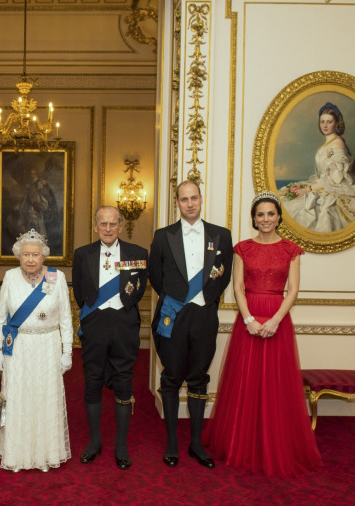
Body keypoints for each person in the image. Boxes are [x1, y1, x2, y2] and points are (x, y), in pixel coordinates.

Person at [202, 191, 322, 477]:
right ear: (254, 219)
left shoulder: (291, 249)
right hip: (250, 320)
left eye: (270, 213)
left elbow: (292, 290)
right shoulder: (242, 248)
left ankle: (275, 444)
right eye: (260, 214)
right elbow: (238, 288)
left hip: (277, 320)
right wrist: (249, 319)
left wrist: (276, 320)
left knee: (276, 384)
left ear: (279, 216)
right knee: (246, 381)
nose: (265, 219)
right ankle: (241, 444)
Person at [149, 180, 233, 469]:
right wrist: (178, 298)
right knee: (171, 377)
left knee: (198, 377)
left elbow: (224, 276)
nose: (190, 203)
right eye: (184, 199)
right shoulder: (163, 236)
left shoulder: (222, 235)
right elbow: (155, 276)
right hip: (173, 313)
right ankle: (172, 441)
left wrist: (204, 299)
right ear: (177, 202)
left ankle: (196, 442)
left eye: (194, 197)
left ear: (201, 198)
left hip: (204, 315)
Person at [71, 206, 148, 470]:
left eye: (112, 224)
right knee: (92, 382)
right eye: (102, 224)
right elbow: (80, 293)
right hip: (94, 326)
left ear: (120, 225)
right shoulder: (82, 255)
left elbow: (137, 292)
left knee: (124, 383)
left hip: (125, 325)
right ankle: (94, 442)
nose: (107, 229)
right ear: (95, 226)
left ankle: (121, 446)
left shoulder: (138, 254)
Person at [0, 229, 73, 472]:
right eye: (25, 254)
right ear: (18, 255)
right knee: (18, 398)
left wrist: (66, 350)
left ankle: (45, 455)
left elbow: (66, 319)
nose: (30, 259)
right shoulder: (10, 277)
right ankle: (18, 455)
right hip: (18, 347)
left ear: (43, 256)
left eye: (35, 255)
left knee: (45, 397)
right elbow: (0, 318)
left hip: (47, 346)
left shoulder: (56, 278)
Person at [278, 102, 355, 232]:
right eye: (322, 121)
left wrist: (308, 190)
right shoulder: (327, 144)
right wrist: (305, 187)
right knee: (284, 199)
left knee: (296, 209)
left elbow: (334, 179)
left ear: (337, 123)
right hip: (323, 185)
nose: (325, 125)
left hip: (336, 189)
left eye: (329, 121)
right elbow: (321, 176)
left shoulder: (338, 144)